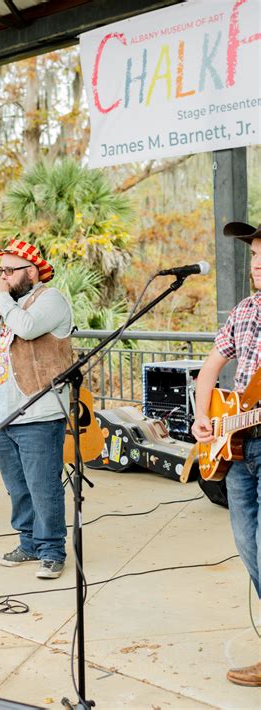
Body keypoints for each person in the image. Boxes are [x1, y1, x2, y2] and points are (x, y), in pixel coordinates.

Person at [0, 240, 73, 579]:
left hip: (37, 412)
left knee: (44, 486)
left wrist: (2, 298)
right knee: (17, 486)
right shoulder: (6, 306)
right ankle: (28, 543)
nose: (2, 277)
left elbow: (27, 329)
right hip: (3, 414)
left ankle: (52, 551)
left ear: (31, 272)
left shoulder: (49, 300)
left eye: (8, 271)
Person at [191, 221, 260, 687]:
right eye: (254, 256)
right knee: (247, 545)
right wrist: (203, 416)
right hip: (236, 444)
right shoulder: (244, 310)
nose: (256, 265)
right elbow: (211, 367)